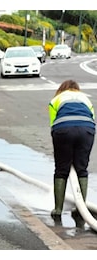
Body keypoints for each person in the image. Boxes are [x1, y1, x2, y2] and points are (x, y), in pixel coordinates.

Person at [49, 79, 95, 219]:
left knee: (61, 170)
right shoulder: (85, 98)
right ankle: (80, 209)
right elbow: (91, 117)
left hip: (63, 129)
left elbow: (53, 124)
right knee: (81, 169)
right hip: (87, 129)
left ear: (61, 89)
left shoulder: (56, 99)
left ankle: (58, 209)